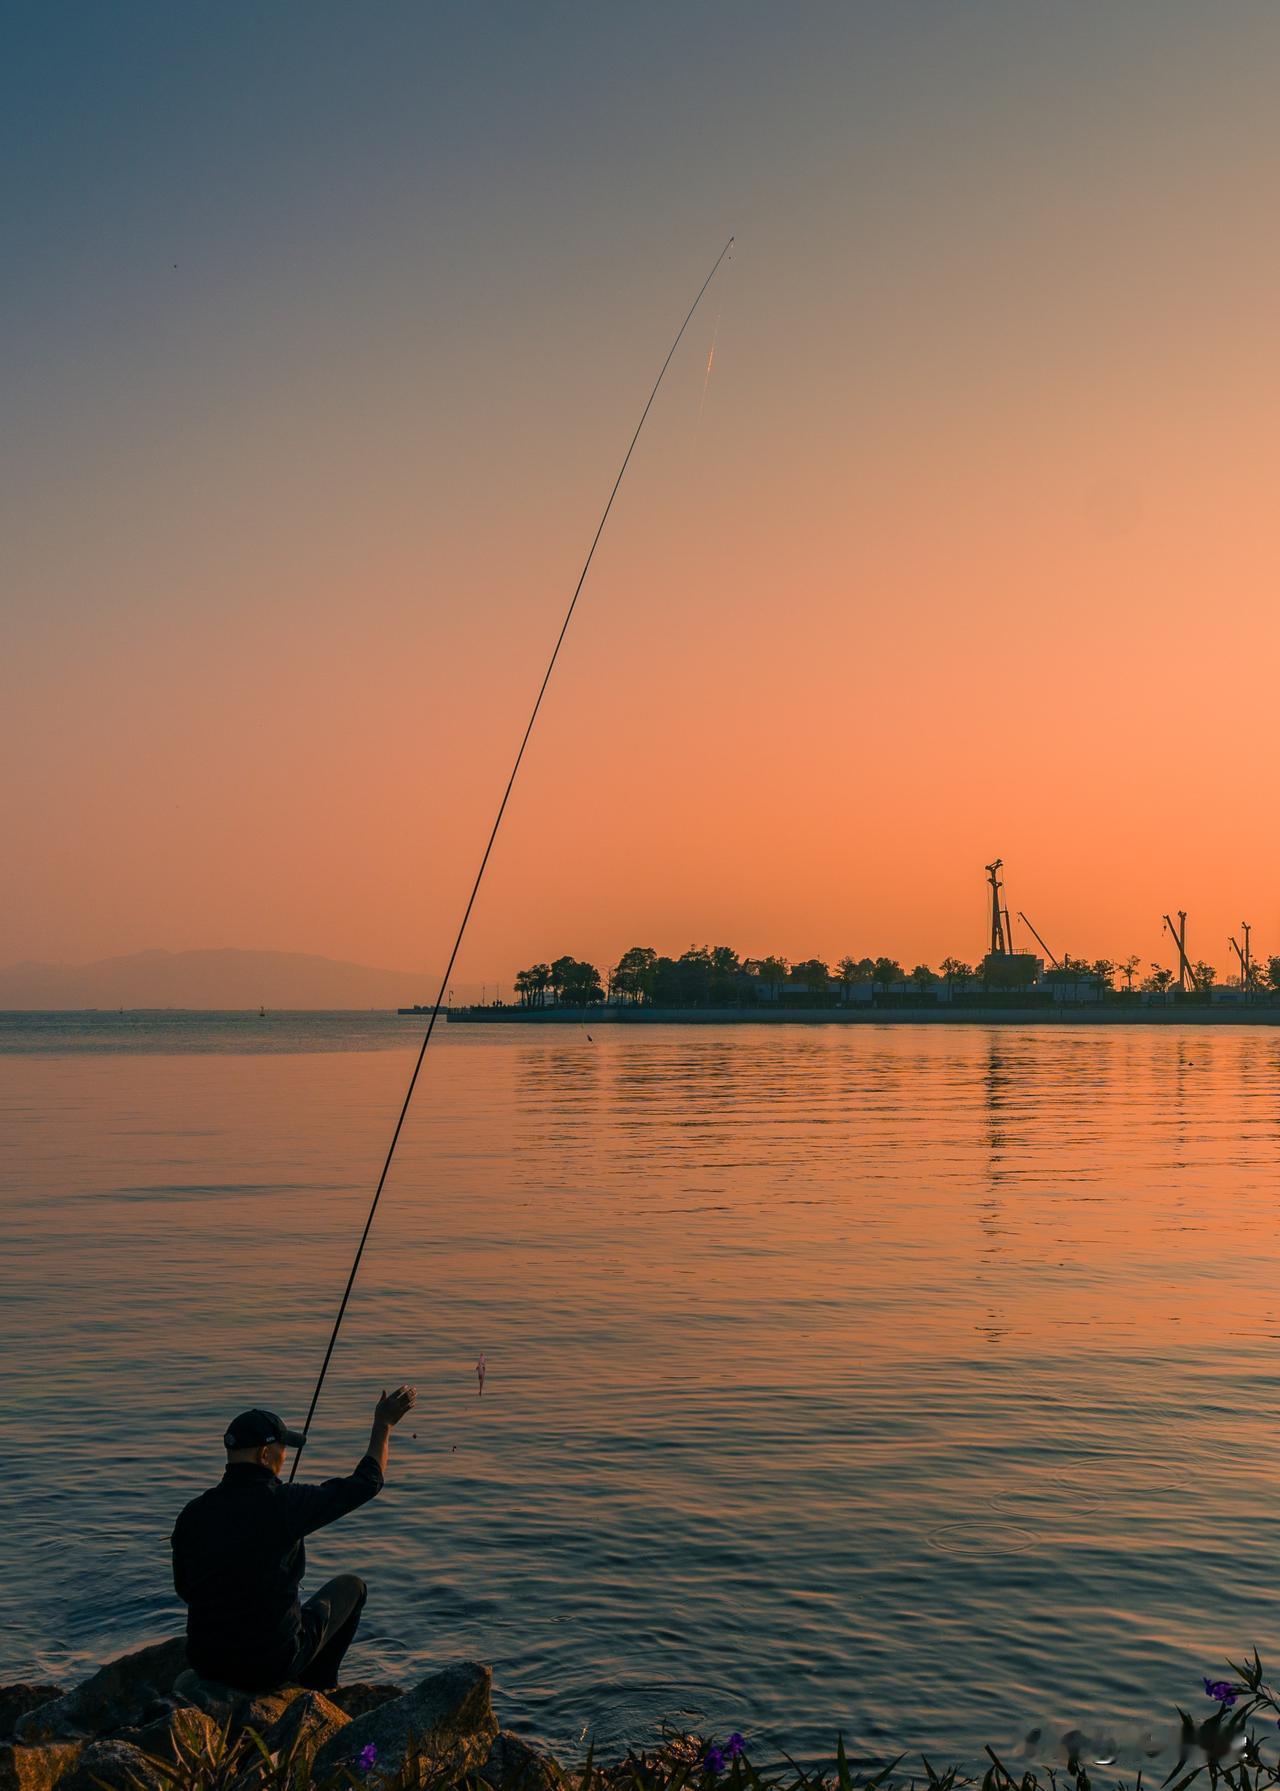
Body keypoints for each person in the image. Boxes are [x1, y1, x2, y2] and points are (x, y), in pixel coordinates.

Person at [171, 1385, 416, 1692]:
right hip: (270, 1665)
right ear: (264, 1455)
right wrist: (383, 1426)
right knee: (352, 1587)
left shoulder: (193, 1514)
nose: (285, 1457)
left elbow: (185, 1589)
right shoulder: (285, 1503)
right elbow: (367, 1482)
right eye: (282, 1449)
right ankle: (320, 1688)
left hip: (206, 1662)